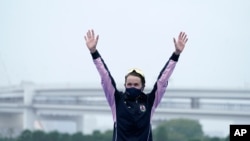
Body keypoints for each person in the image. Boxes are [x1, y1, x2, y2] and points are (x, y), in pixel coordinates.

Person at [84, 29, 188, 141]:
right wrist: (94, 52)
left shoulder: (150, 101)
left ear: (142, 86)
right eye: (129, 84)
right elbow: (105, 76)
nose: (132, 87)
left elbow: (162, 81)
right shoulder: (116, 99)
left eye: (136, 84)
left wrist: (176, 54)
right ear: (125, 85)